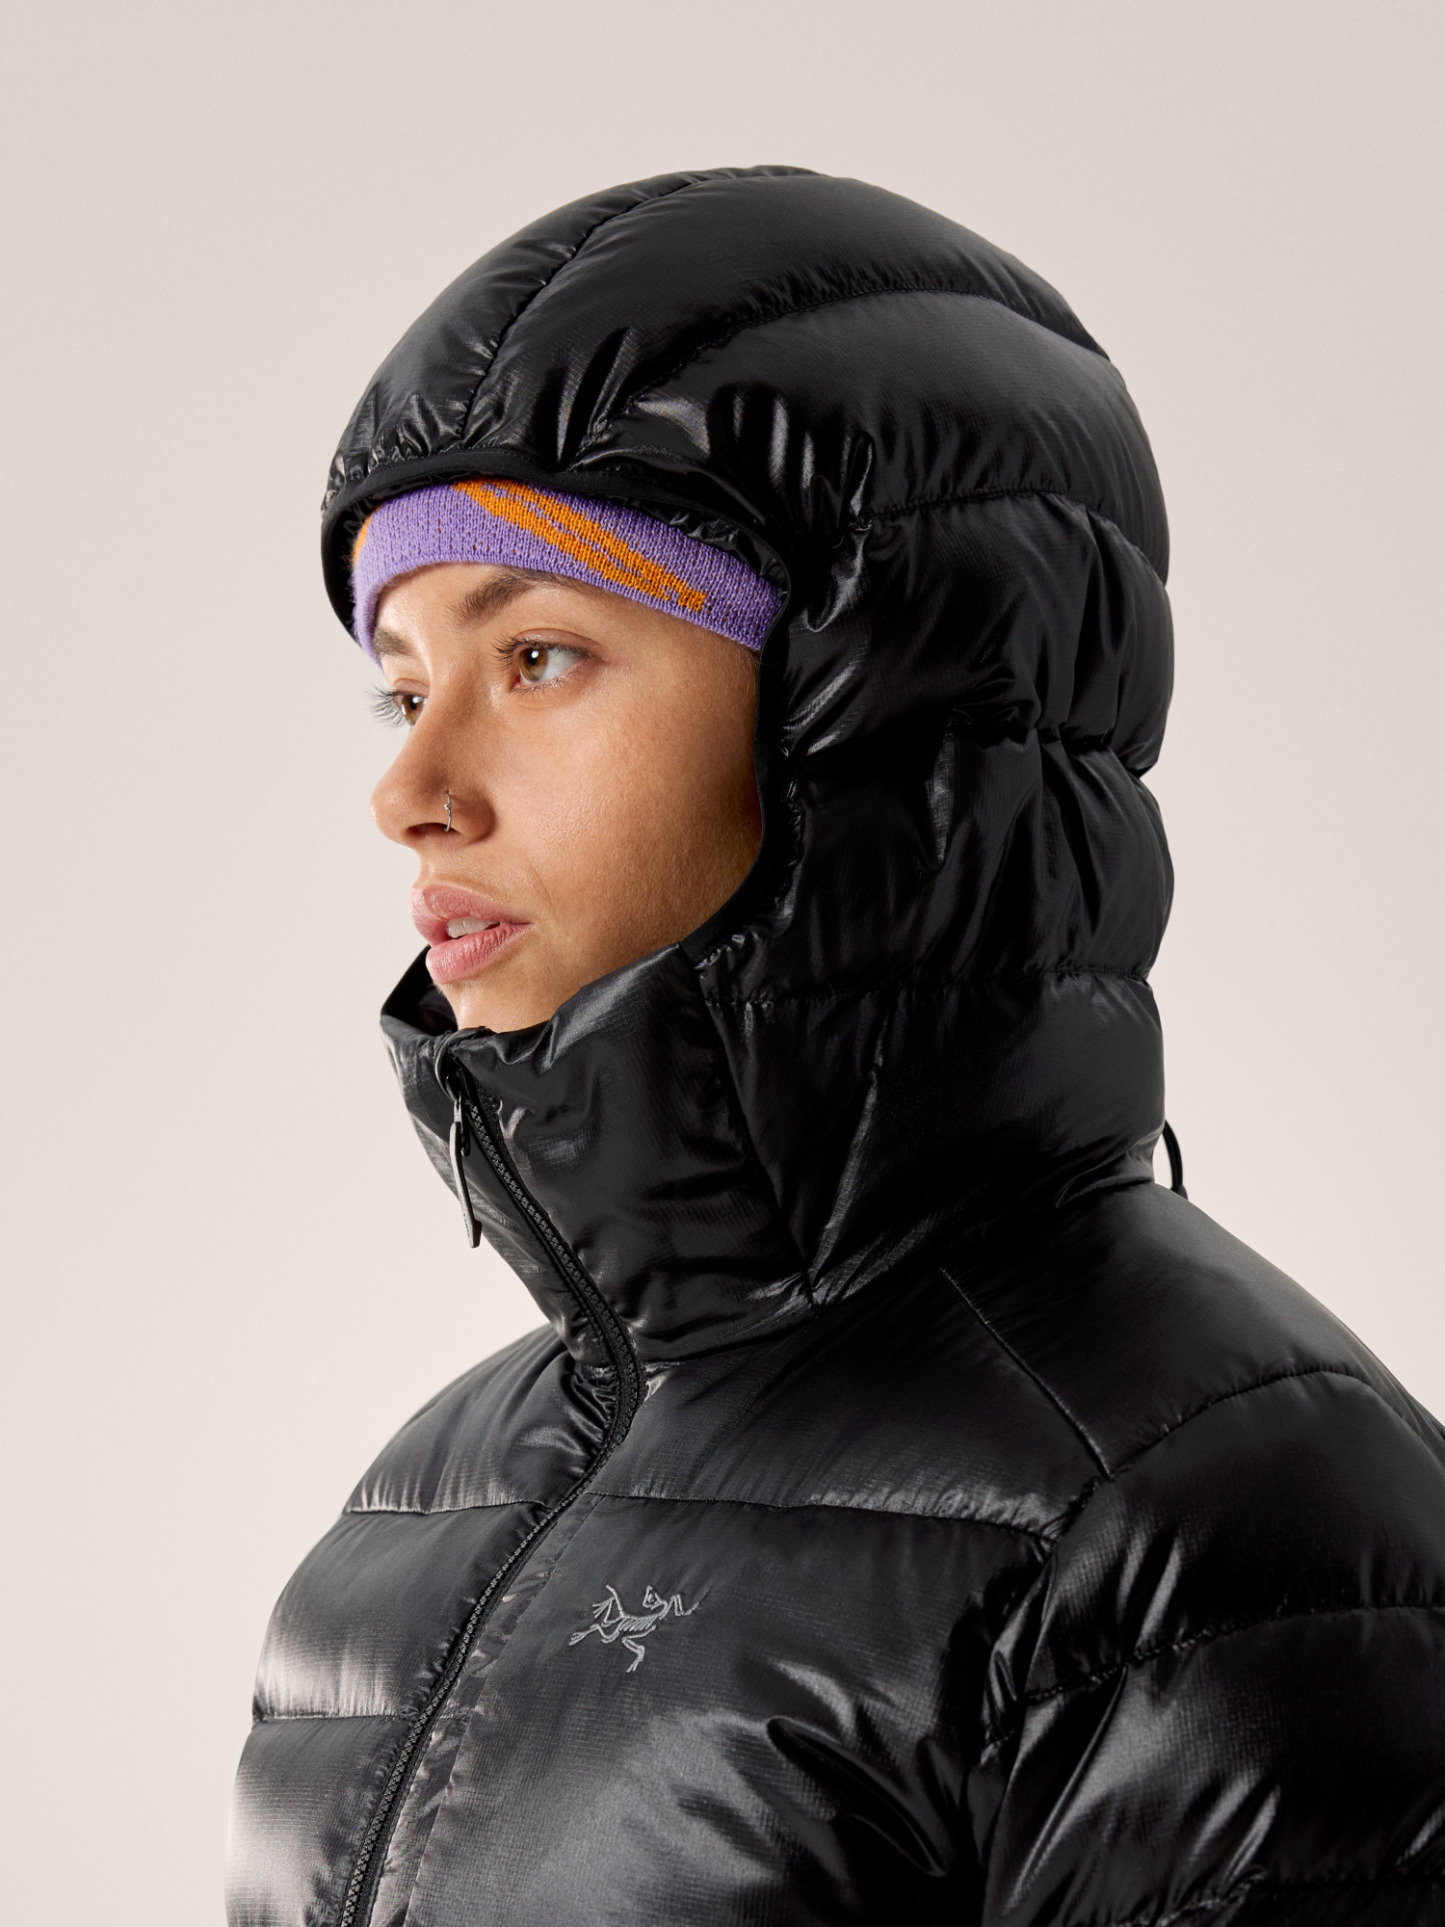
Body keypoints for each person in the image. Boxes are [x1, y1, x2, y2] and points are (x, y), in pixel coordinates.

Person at [227, 169, 1445, 1927]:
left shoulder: (1222, 1541)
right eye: (404, 689)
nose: (409, 791)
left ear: (867, 718)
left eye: (540, 656)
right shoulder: (406, 1528)